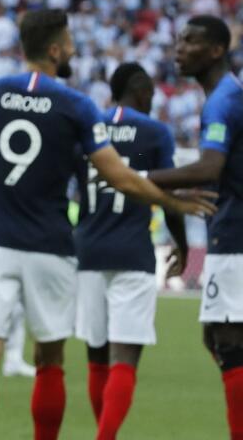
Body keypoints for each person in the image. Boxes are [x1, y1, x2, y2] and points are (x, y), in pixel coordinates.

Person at [0, 9, 216, 440]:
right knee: (50, 358)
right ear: (55, 49)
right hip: (51, 246)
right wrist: (171, 201)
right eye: (68, 42)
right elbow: (121, 177)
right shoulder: (77, 106)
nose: (72, 49)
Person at [74, 62, 189, 439]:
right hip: (132, 252)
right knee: (125, 358)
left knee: (96, 356)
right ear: (141, 92)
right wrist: (182, 243)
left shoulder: (89, 126)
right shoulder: (155, 132)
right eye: (152, 96)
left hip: (88, 251)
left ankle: (101, 433)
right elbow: (167, 195)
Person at [147, 15, 243, 440]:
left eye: (190, 41)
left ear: (217, 50)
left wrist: (138, 176)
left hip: (235, 238)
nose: (179, 48)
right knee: (216, 338)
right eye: (179, 39)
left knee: (226, 341)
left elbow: (209, 167)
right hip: (231, 233)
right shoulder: (226, 96)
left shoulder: (223, 100)